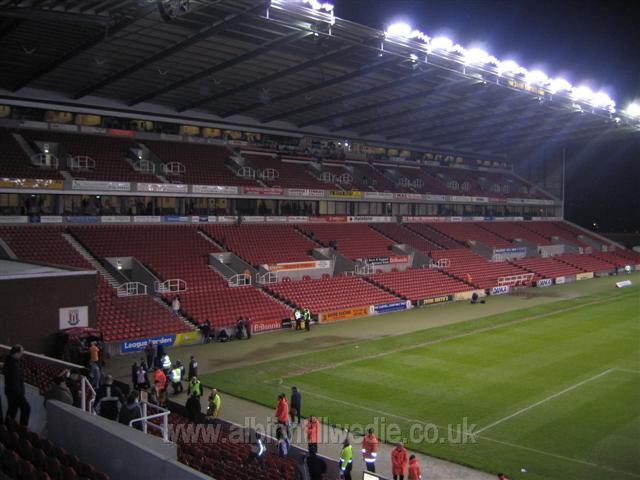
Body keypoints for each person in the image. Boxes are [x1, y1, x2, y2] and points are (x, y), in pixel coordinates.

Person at [3, 344, 30, 426]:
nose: (22, 354)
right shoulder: (13, 365)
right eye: (21, 352)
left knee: (12, 409)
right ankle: (22, 428)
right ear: (16, 353)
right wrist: (20, 394)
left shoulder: (9, 360)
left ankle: (7, 425)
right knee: (26, 408)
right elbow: (15, 382)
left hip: (9, 390)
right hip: (15, 392)